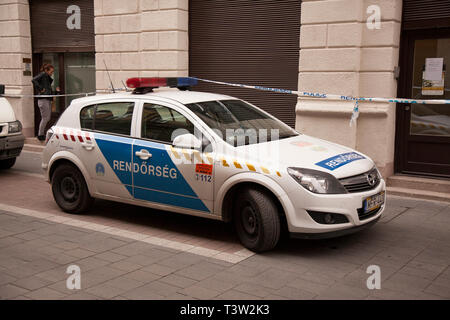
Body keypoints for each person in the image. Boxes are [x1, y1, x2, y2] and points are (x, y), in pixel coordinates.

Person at [32, 64, 60, 141]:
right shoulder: (43, 75)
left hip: (46, 99)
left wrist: (56, 92)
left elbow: (48, 92)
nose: (52, 73)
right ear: (46, 70)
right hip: (43, 100)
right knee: (45, 118)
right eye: (51, 71)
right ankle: (40, 135)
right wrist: (40, 89)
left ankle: (41, 134)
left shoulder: (47, 78)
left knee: (47, 118)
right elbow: (33, 80)